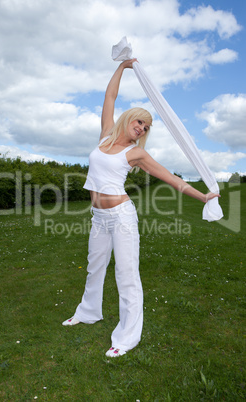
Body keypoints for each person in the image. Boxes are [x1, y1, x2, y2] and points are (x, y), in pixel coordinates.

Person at [62, 59, 220, 358]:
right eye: (139, 123)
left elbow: (171, 178)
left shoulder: (135, 153)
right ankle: (88, 312)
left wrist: (202, 197)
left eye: (146, 128)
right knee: (95, 266)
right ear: (129, 118)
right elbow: (109, 97)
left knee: (127, 273)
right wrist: (123, 67)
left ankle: (127, 336)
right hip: (98, 217)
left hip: (121, 217)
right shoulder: (106, 135)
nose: (141, 129)